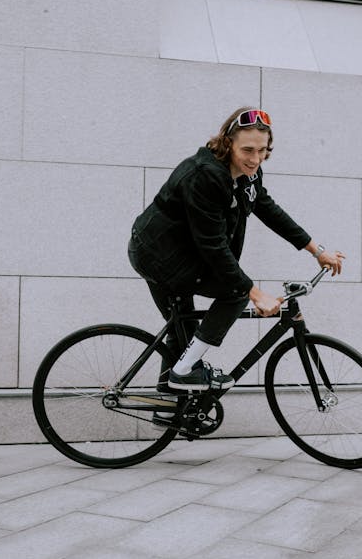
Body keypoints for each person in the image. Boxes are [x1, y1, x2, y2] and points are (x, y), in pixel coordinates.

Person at [128, 106, 345, 394]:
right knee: (236, 292)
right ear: (228, 143)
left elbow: (267, 208)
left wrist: (317, 251)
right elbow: (213, 245)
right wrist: (254, 293)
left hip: (182, 253)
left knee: (184, 337)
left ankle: (168, 410)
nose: (255, 159)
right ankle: (181, 373)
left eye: (263, 150)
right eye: (248, 150)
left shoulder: (248, 173)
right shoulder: (204, 176)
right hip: (159, 256)